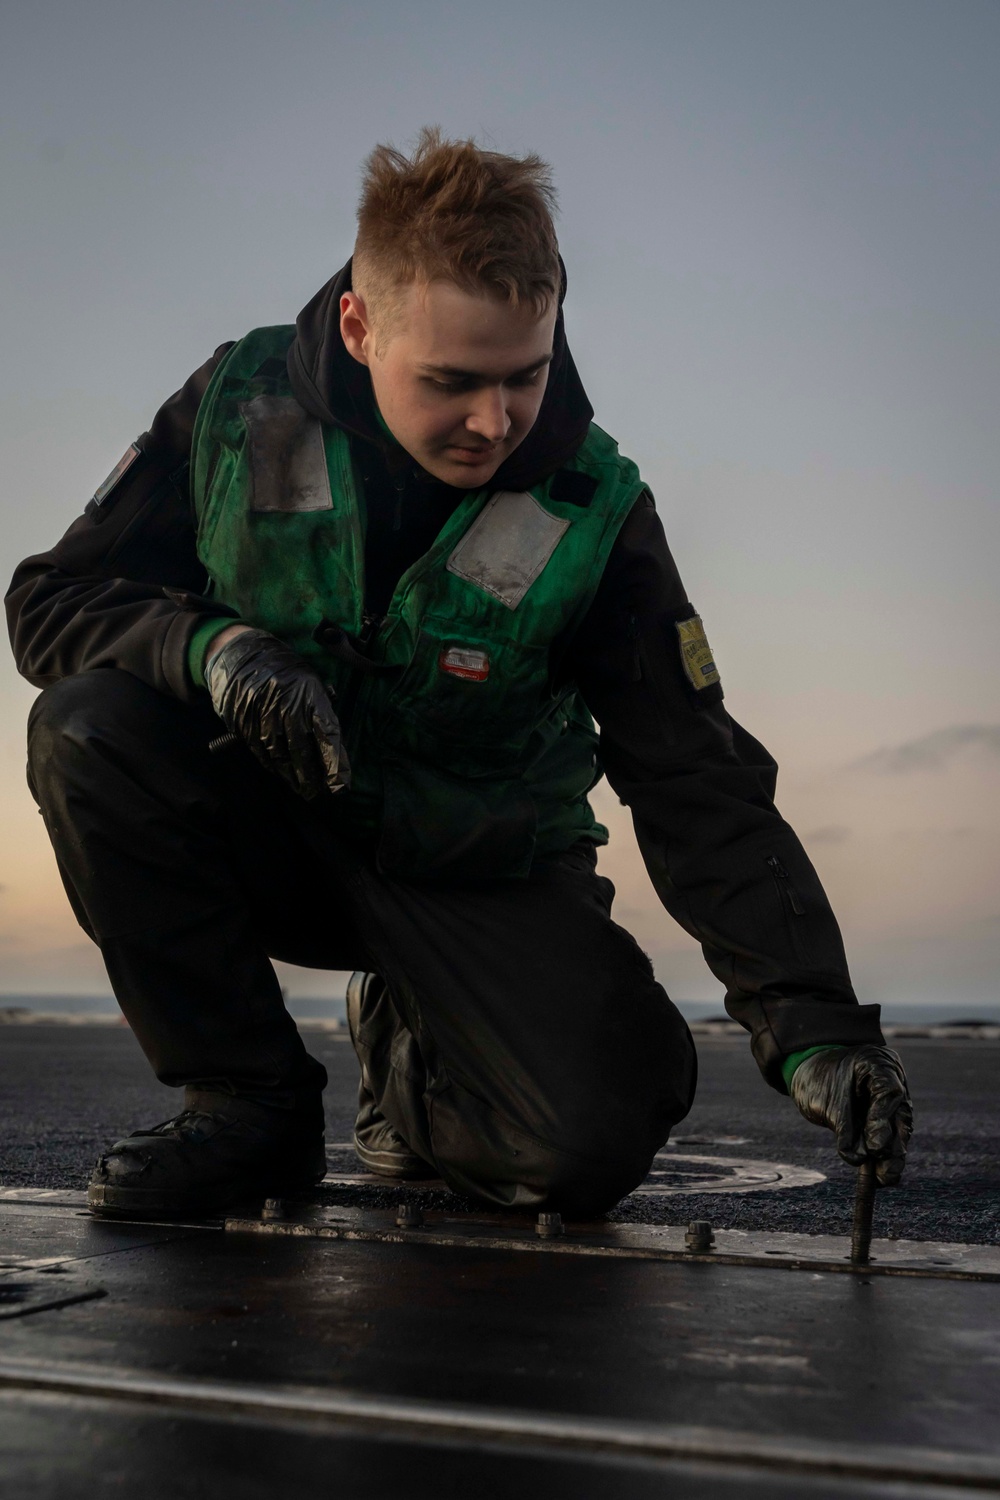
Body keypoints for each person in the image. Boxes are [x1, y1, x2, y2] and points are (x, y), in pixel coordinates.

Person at [6, 129, 911, 1221]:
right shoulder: (238, 410)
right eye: (452, 382)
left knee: (581, 1151)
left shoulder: (596, 508)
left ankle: (410, 1055)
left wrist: (814, 1026)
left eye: (524, 376)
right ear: (359, 323)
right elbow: (52, 603)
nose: (494, 423)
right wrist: (214, 652)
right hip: (275, 833)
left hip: (479, 868)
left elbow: (692, 773)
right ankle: (245, 1102)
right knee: (88, 725)